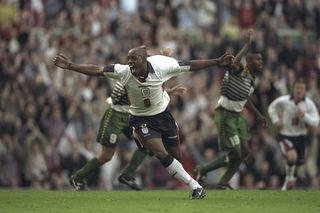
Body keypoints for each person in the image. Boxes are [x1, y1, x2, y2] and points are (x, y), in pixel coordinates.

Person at [53, 45, 233, 199]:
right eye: (128, 59)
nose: (130, 62)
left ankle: (139, 160)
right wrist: (70, 66)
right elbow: (98, 70)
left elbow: (190, 65)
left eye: (134, 59)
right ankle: (196, 187)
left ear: (145, 59)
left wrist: (217, 62)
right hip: (138, 119)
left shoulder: (163, 67)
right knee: (158, 152)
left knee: (175, 156)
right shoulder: (123, 72)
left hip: (163, 116)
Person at [195, 29, 267, 189]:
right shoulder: (240, 70)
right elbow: (235, 63)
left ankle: (223, 181)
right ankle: (204, 169)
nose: (261, 62)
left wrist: (259, 115)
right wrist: (247, 46)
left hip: (237, 116)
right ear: (249, 62)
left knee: (245, 151)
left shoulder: (252, 80)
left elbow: (245, 100)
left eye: (261, 60)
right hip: (225, 114)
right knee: (235, 152)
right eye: (257, 60)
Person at [268, 79, 319, 190]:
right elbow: (271, 108)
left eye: (302, 88)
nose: (299, 91)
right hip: (285, 135)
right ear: (293, 89)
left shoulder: (309, 104)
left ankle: (289, 180)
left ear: (305, 90)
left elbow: (316, 122)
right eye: (297, 88)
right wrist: (276, 120)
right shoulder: (284, 100)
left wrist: (304, 115)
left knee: (298, 163)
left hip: (301, 137)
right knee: (291, 157)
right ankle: (289, 178)